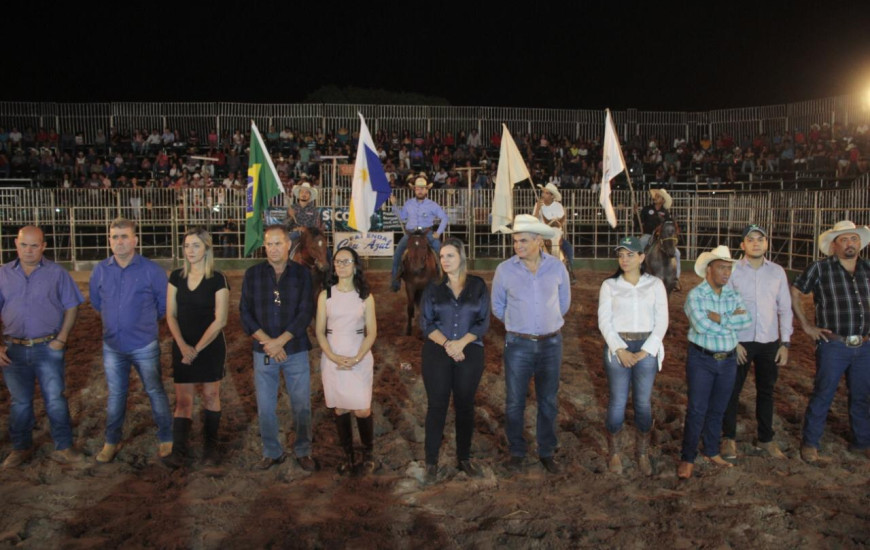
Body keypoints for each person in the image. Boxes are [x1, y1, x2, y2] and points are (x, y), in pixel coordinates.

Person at [491, 214, 571, 474]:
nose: (517, 245)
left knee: (548, 400)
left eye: (523, 240)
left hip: (551, 344)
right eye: (515, 241)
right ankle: (517, 451)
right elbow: (498, 307)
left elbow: (564, 303)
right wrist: (519, 324)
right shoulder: (504, 270)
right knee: (515, 401)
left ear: (539, 241)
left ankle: (546, 450)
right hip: (518, 344)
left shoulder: (557, 268)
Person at [0, 226, 84, 468]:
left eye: (34, 245)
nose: (28, 250)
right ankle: (20, 447)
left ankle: (64, 446)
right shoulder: (3, 274)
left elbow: (72, 306)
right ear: (16, 244)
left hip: (48, 347)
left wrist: (62, 338)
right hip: (13, 349)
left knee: (55, 398)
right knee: (20, 402)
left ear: (43, 246)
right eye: (24, 245)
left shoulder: (57, 274)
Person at [90, 218, 173, 463]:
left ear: (135, 240)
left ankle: (166, 437)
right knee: (116, 395)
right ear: (109, 240)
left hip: (144, 344)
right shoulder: (100, 270)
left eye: (124, 236)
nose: (119, 241)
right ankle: (111, 441)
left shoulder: (152, 270)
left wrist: (141, 324)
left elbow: (163, 305)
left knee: (155, 391)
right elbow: (97, 303)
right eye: (115, 237)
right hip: (112, 346)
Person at [792, 220, 870, 463]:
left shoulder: (867, 268)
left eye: (853, 239)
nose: (850, 243)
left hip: (865, 344)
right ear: (834, 245)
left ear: (859, 243)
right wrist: (806, 324)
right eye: (844, 240)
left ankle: (861, 441)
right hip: (833, 343)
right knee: (823, 393)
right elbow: (796, 291)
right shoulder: (820, 268)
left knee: (861, 395)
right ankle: (811, 442)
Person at [240, 225, 316, 471]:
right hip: (264, 351)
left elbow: (306, 312)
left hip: (295, 349)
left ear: (287, 245)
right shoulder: (252, 275)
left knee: (302, 404)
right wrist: (268, 343)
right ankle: (272, 451)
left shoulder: (303, 274)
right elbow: (245, 313)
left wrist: (280, 341)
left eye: (277, 243)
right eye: (269, 244)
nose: (273, 248)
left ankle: (303, 449)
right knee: (265, 406)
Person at [420, 237, 490, 482]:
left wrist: (461, 343)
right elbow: (426, 324)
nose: (445, 260)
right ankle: (431, 462)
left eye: (450, 255)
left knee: (465, 406)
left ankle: (464, 458)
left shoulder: (478, 285)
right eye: (442, 256)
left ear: (461, 257)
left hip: (470, 350)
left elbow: (483, 321)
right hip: (437, 351)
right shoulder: (432, 288)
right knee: (436, 406)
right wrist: (449, 344)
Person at [678, 245, 751, 479]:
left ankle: (710, 450)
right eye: (722, 267)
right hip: (703, 359)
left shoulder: (732, 293)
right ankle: (688, 458)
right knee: (697, 410)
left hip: (727, 360)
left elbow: (747, 320)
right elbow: (701, 325)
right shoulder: (696, 295)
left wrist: (719, 318)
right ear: (709, 269)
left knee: (718, 409)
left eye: (729, 268)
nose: (726, 273)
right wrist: (730, 320)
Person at [597, 236, 668, 476]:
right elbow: (604, 321)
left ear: (641, 257)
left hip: (647, 345)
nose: (624, 259)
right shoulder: (609, 286)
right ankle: (615, 452)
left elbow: (662, 320)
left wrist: (647, 350)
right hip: (619, 346)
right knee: (617, 402)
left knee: (642, 403)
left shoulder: (655, 284)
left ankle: (642, 452)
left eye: (630, 254)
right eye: (621, 255)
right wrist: (619, 349)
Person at [722, 224, 792, 460]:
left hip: (769, 341)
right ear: (742, 245)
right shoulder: (732, 271)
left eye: (760, 239)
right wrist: (733, 340)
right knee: (732, 391)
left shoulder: (777, 272)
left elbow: (785, 308)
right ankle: (728, 438)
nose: (756, 243)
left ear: (766, 244)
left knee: (767, 391)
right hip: (740, 341)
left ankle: (766, 438)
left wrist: (785, 342)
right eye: (750, 240)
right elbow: (725, 307)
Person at [163, 228, 230, 468]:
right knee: (183, 401)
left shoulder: (218, 279)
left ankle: (210, 449)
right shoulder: (176, 277)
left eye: (196, 245)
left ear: (206, 249)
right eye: (187, 245)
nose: (190, 250)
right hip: (183, 346)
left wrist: (197, 349)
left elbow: (220, 320)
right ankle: (178, 451)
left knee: (212, 395)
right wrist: (183, 346)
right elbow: (170, 315)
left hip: (209, 347)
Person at [315, 246, 377, 475]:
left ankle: (368, 453)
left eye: (346, 261)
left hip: (358, 354)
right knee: (340, 408)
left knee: (362, 409)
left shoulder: (365, 296)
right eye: (337, 261)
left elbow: (371, 332)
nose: (341, 265)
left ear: (355, 265)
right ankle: (348, 455)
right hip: (333, 356)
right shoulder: (325, 295)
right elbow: (320, 331)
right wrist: (332, 357)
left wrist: (357, 357)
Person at [389, 174, 448, 291]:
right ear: (414, 190)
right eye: (417, 188)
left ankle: (444, 280)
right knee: (397, 254)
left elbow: (444, 218)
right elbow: (402, 217)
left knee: (441, 254)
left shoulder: (432, 205)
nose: (420, 191)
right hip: (410, 234)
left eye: (422, 188)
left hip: (427, 234)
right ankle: (395, 281)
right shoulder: (408, 203)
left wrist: (438, 232)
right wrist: (394, 205)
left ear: (426, 190)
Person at [533, 181, 577, 283]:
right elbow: (533, 221)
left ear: (552, 196)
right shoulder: (538, 205)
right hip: (542, 237)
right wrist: (537, 210)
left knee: (568, 248)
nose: (543, 195)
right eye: (543, 192)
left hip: (556, 236)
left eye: (547, 193)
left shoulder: (558, 206)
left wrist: (553, 224)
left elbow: (559, 223)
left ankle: (569, 270)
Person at [640, 188, 681, 279]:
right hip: (648, 234)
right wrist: (636, 214)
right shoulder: (646, 209)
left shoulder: (665, 213)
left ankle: (676, 278)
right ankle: (638, 271)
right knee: (640, 245)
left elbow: (668, 225)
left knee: (677, 253)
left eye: (658, 196)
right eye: (655, 196)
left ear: (663, 200)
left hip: (662, 237)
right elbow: (640, 222)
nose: (655, 197)